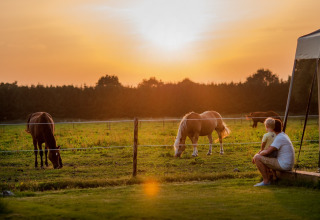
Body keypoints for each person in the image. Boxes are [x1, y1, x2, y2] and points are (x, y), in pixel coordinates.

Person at [252, 119, 295, 186]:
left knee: (257, 158)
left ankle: (266, 181)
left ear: (273, 127)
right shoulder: (283, 135)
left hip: (283, 165)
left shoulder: (279, 138)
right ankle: (271, 178)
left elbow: (267, 151)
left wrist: (256, 155)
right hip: (287, 164)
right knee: (262, 156)